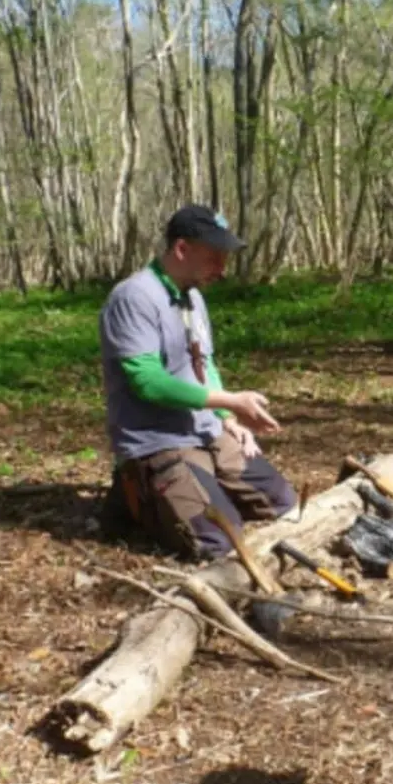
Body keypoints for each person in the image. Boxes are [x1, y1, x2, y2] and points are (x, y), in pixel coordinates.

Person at [97, 203, 297, 561]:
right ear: (182, 249)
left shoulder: (193, 297)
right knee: (221, 539)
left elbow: (204, 362)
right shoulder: (133, 298)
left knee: (282, 502)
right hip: (157, 441)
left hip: (206, 432)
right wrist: (229, 400)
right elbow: (148, 382)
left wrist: (228, 420)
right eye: (215, 257)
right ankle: (139, 493)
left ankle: (193, 487)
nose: (222, 269)